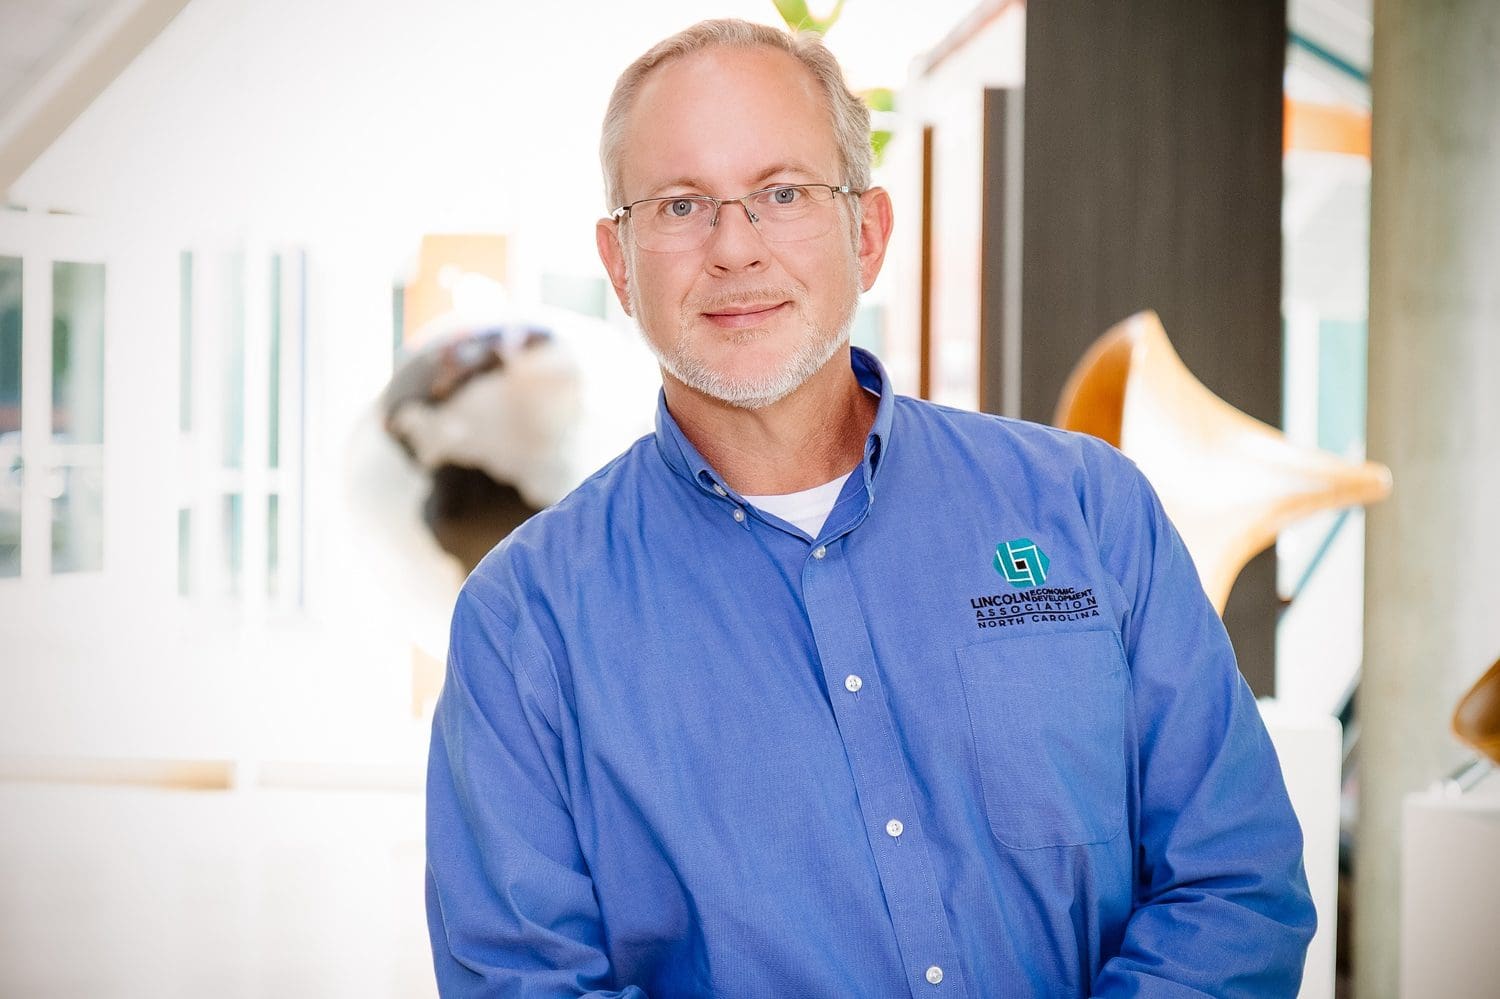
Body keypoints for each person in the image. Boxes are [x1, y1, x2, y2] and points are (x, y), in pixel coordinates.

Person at [425, 18, 1316, 998]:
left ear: (868, 231)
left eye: (783, 193)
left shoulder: (1088, 511)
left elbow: (1236, 887)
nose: (734, 247)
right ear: (619, 261)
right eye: (680, 205)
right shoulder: (525, 622)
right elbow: (524, 981)